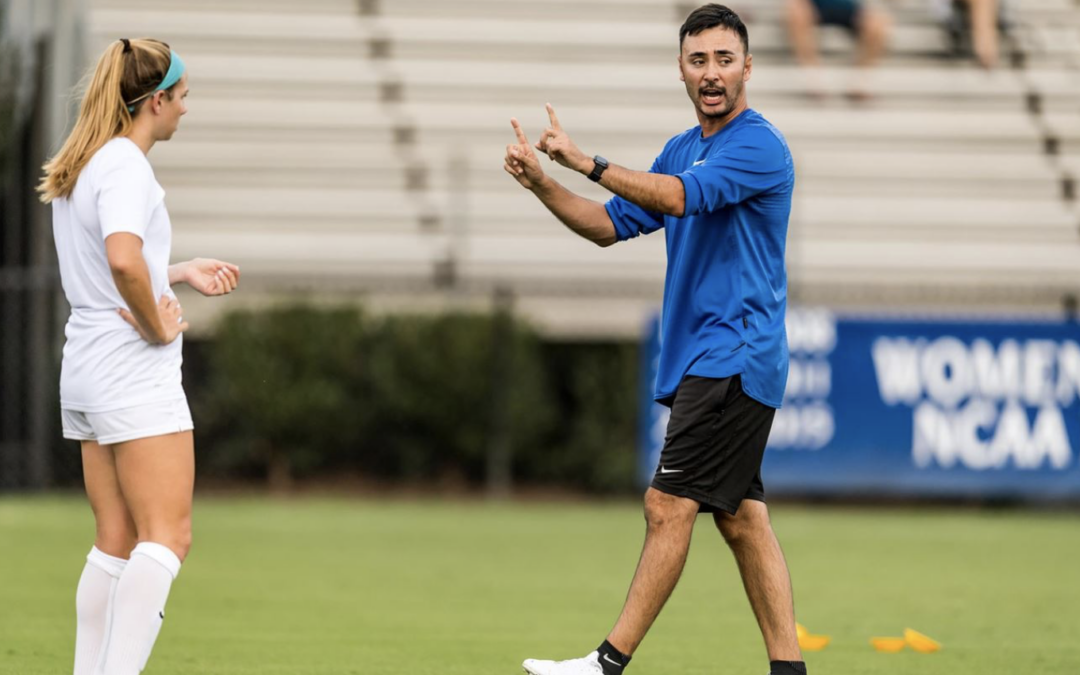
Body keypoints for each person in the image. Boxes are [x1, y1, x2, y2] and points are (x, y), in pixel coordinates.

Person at [504, 5, 804, 675]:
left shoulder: (759, 145)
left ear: (747, 67)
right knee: (743, 518)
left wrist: (588, 160)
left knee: (667, 503)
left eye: (725, 59)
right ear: (681, 69)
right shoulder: (680, 146)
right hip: (712, 355)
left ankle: (605, 664)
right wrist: (542, 184)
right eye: (698, 60)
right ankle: (790, 670)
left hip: (736, 353)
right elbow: (607, 225)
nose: (712, 73)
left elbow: (676, 198)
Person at [38, 38, 239, 675]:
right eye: (182, 99)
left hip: (89, 363)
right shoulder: (125, 163)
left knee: (116, 542)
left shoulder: (86, 160)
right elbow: (123, 260)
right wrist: (157, 325)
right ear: (154, 101)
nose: (186, 110)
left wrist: (174, 272)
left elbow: (114, 266)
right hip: (131, 366)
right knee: (167, 536)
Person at [785, 0, 891, 99]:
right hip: (813, 6)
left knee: (878, 22)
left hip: (848, 8)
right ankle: (812, 76)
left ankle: (860, 80)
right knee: (796, 10)